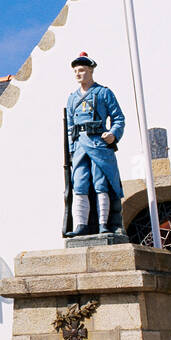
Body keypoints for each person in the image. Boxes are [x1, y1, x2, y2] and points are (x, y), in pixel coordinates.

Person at [65, 52, 125, 237]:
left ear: (90, 71)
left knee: (101, 184)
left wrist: (113, 135)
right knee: (80, 184)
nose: (78, 74)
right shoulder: (72, 98)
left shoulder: (103, 93)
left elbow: (118, 119)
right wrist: (71, 150)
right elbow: (69, 127)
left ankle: (103, 224)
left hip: (98, 144)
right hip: (79, 147)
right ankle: (81, 225)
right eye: (75, 70)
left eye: (82, 70)